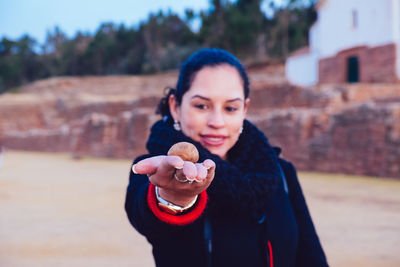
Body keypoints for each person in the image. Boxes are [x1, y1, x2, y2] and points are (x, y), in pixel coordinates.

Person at [125, 48, 328, 267]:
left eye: (231, 108)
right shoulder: (153, 171)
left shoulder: (281, 173)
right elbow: (146, 212)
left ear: (245, 110)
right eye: (201, 106)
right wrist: (173, 197)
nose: (217, 122)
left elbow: (311, 258)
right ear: (175, 107)